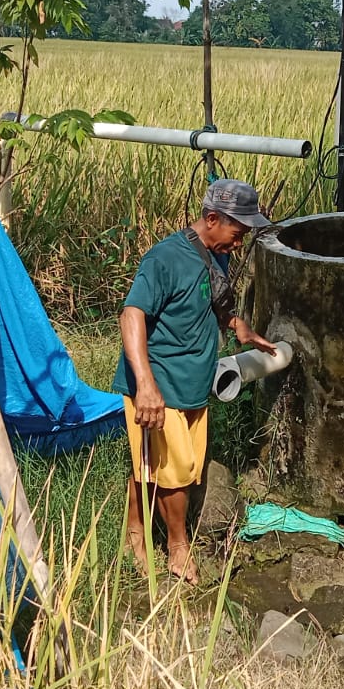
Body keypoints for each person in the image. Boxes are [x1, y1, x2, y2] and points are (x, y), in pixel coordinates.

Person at [114, 178, 276, 583]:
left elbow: (207, 301)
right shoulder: (164, 259)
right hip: (160, 384)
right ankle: (177, 546)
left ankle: (134, 532)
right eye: (238, 233)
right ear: (212, 219)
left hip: (193, 385)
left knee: (154, 465)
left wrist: (238, 326)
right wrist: (146, 386)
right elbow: (131, 315)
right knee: (178, 469)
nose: (240, 243)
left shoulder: (214, 253)